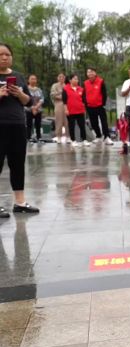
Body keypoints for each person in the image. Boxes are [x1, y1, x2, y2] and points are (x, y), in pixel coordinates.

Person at [0, 43, 39, 217]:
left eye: (7, 54)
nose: (4, 57)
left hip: (17, 125)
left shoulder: (19, 76)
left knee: (17, 163)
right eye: (0, 55)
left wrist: (19, 93)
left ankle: (20, 202)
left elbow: (28, 102)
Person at [84, 67, 112, 145]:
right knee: (93, 123)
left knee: (104, 122)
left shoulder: (100, 81)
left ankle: (107, 137)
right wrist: (86, 104)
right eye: (88, 72)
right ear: (87, 74)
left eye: (92, 71)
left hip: (100, 106)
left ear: (95, 73)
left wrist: (103, 103)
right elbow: (84, 94)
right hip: (90, 106)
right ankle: (98, 136)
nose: (90, 73)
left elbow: (104, 94)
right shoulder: (85, 83)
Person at [63, 74, 90, 147]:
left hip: (80, 111)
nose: (76, 80)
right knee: (71, 126)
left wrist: (84, 107)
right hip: (70, 111)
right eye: (74, 79)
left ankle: (84, 140)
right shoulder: (65, 89)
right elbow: (64, 101)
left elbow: (84, 100)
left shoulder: (81, 89)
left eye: (77, 79)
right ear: (70, 80)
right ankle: (73, 140)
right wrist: (66, 110)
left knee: (82, 126)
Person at [25, 74, 44, 143]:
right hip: (28, 110)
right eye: (32, 79)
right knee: (29, 124)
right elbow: (25, 99)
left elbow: (42, 99)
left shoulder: (39, 89)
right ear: (28, 80)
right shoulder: (26, 89)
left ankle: (39, 137)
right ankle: (28, 138)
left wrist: (36, 107)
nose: (33, 80)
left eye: (35, 79)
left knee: (38, 124)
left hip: (38, 110)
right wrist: (32, 107)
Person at [50, 73, 69, 144]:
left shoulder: (67, 85)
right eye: (60, 77)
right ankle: (58, 136)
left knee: (67, 121)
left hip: (67, 104)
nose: (61, 78)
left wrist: (60, 95)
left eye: (63, 77)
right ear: (57, 78)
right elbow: (53, 94)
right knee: (58, 120)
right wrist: (61, 95)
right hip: (58, 104)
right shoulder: (54, 85)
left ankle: (68, 136)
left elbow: (69, 95)